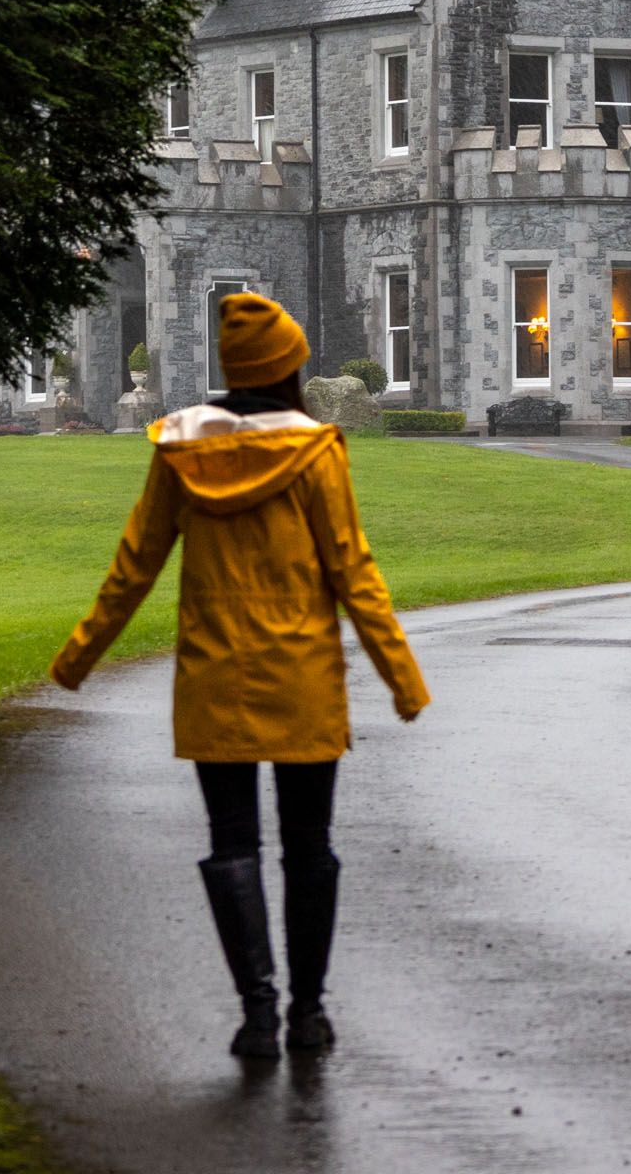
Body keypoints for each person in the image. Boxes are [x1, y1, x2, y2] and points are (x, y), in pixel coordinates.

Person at [50, 293, 430, 1059]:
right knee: (309, 848)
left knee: (232, 844)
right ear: (289, 366)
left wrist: (79, 656)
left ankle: (257, 1012)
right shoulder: (316, 452)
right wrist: (402, 678)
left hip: (213, 678)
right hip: (302, 681)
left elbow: (135, 567)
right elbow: (354, 573)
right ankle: (308, 1012)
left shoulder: (181, 448)